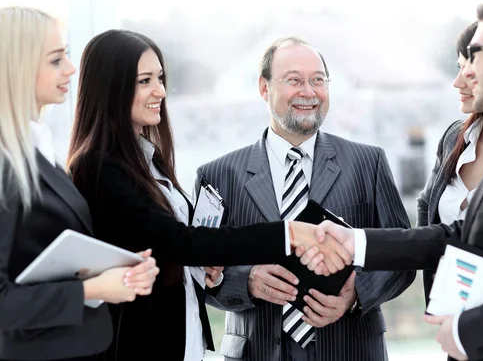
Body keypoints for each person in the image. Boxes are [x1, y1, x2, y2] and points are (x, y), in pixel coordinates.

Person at [306, 0, 483, 361]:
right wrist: (355, 243)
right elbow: (462, 236)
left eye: (476, 54)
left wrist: (469, 332)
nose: (467, 72)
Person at [66, 30, 348, 361]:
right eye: (144, 81)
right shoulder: (99, 166)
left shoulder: (149, 161)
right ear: (111, 87)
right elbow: (181, 242)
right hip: (137, 345)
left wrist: (203, 270)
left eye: (160, 78)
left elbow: (170, 249)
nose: (160, 91)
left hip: (182, 345)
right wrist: (288, 233)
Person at [196, 36, 415, 361]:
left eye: (318, 80)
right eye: (294, 80)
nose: (309, 92)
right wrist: (248, 281)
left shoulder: (369, 163)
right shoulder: (218, 175)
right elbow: (197, 273)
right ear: (263, 87)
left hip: (351, 350)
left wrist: (355, 294)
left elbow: (402, 257)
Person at [0, 7, 160, 361]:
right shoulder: (1, 165)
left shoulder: (36, 150)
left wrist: (116, 269)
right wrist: (93, 288)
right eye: (56, 60)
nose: (70, 69)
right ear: (17, 69)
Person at [417, 21, 483, 302]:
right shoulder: (455, 136)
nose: (458, 82)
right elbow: (426, 203)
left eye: (471, 71)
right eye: (459, 68)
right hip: (451, 312)